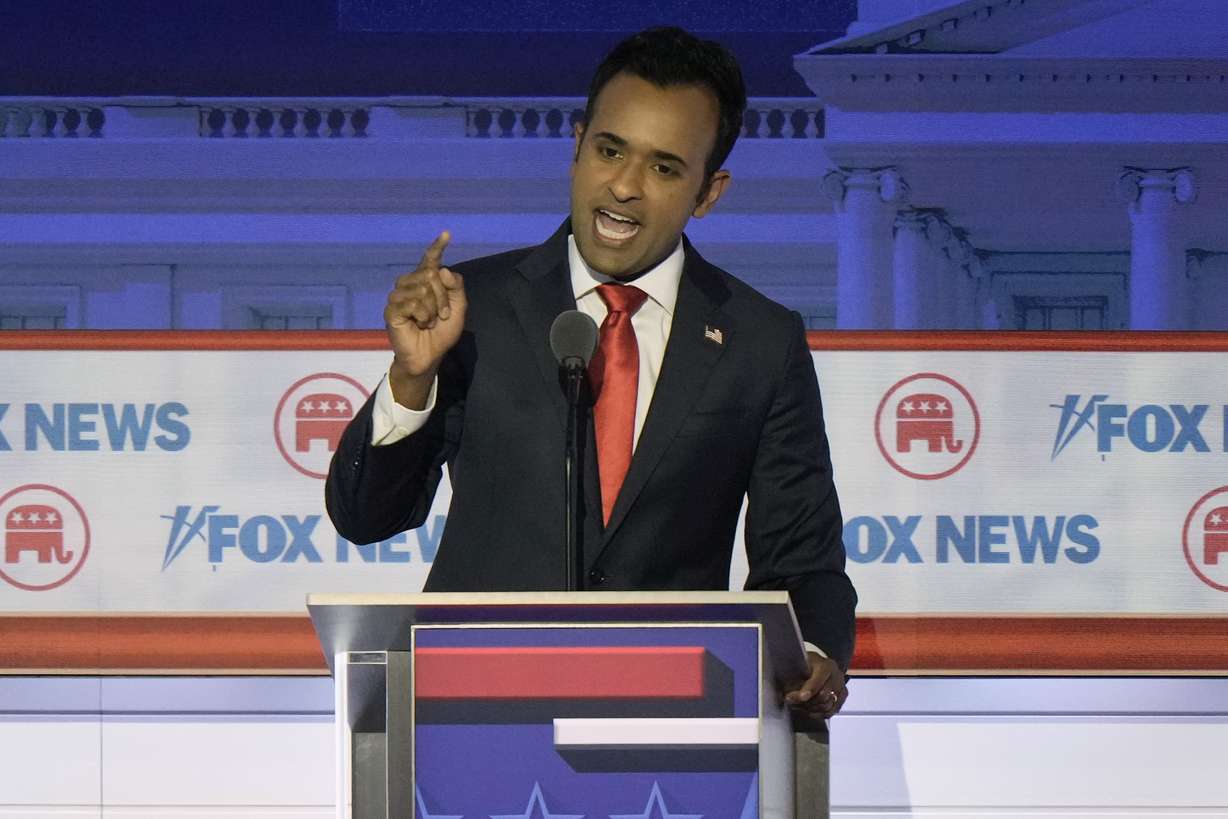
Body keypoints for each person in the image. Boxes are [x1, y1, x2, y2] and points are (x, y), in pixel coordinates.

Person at [326, 26, 855, 715]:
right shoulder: (474, 306)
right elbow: (366, 515)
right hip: (472, 709)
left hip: (675, 721)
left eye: (665, 168)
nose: (626, 186)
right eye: (610, 150)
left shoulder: (761, 340)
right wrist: (411, 379)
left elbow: (801, 557)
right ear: (577, 146)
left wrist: (813, 654)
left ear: (709, 192)